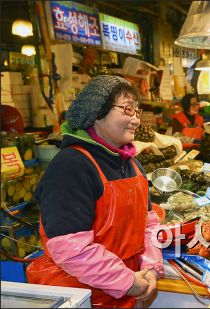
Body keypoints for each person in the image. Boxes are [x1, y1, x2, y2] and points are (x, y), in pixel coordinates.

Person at [26, 75, 163, 307]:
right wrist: (127, 281)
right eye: (127, 109)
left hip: (121, 295)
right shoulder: (72, 166)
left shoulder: (132, 164)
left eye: (137, 112)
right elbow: (71, 249)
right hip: (76, 297)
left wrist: (151, 265)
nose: (136, 120)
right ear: (96, 112)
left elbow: (148, 224)